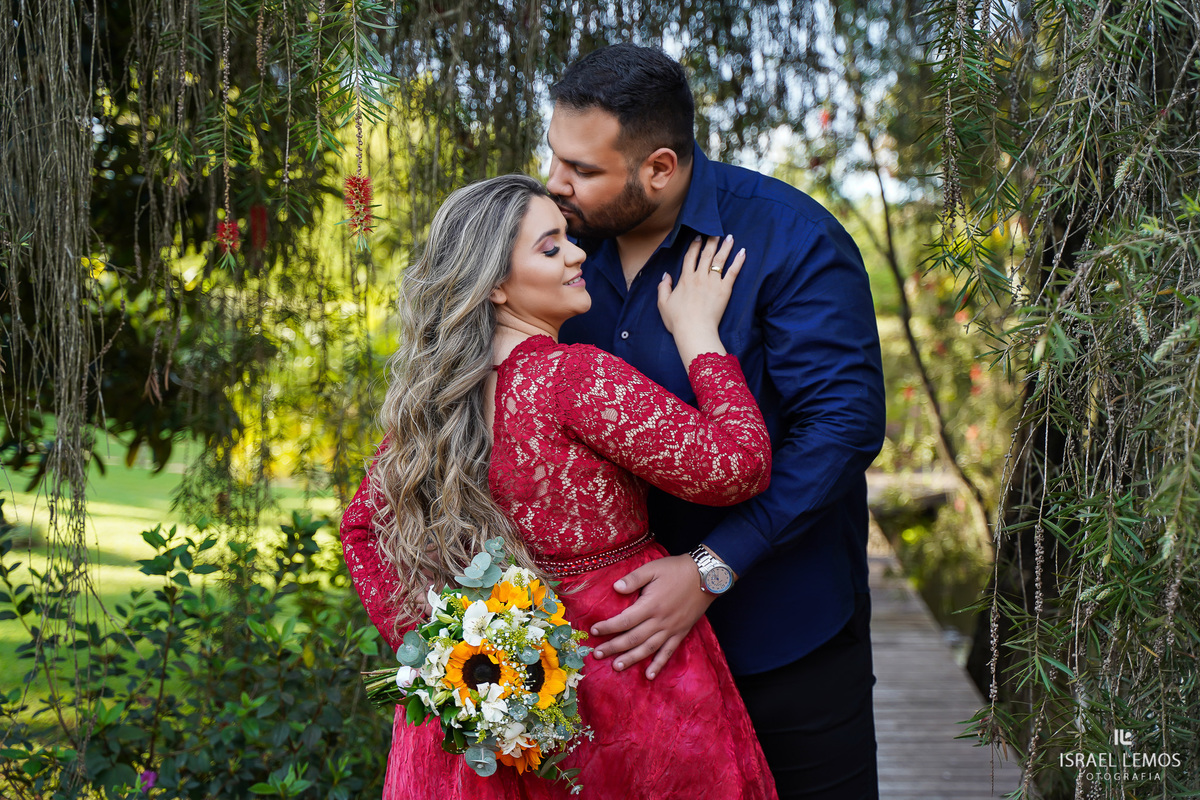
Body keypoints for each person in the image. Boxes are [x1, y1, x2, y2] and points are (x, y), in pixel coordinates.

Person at [340, 173, 778, 798]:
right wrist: (697, 333)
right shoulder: (572, 377)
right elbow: (737, 465)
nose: (578, 254)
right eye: (551, 247)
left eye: (568, 238)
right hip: (619, 679)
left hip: (487, 703)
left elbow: (363, 530)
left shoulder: (436, 403)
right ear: (494, 284)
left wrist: (450, 652)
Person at [547, 45, 886, 799]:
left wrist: (712, 567)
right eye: (555, 159)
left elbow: (842, 428)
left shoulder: (790, 240)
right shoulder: (556, 251)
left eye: (583, 170)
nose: (555, 184)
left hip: (780, 637)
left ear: (659, 168)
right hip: (620, 654)